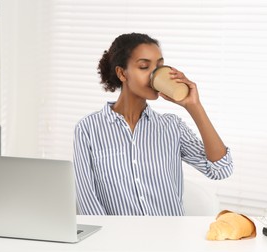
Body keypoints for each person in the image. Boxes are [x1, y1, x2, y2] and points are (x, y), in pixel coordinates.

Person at [73, 32, 233, 216]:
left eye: (159, 66)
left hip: (170, 239)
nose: (154, 75)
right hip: (117, 240)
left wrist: (194, 106)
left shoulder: (171, 127)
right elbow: (88, 200)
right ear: (122, 73)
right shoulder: (88, 128)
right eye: (144, 66)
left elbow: (221, 170)